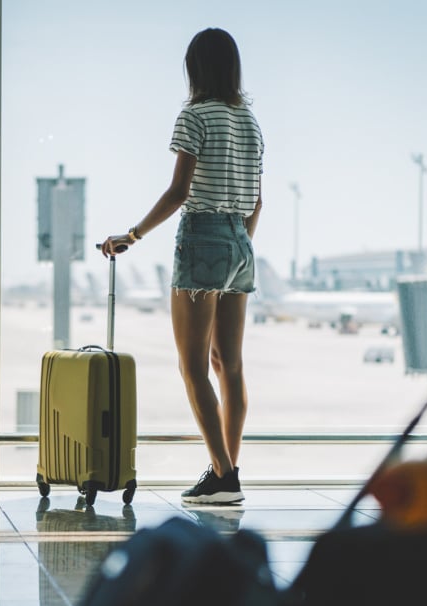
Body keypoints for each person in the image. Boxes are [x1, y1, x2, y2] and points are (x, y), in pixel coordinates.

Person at [100, 27, 264, 505]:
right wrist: (238, 248)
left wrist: (131, 236)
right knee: (228, 365)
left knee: (193, 365)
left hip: (204, 237)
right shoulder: (249, 121)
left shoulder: (194, 115)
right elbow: (257, 200)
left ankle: (223, 475)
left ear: (195, 68)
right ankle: (225, 473)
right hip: (241, 239)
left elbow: (179, 192)